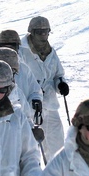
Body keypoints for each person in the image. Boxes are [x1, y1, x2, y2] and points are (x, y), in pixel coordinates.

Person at [19, 16, 69, 159]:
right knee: (31, 148)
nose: (43, 35)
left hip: (50, 105)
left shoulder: (51, 52)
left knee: (57, 145)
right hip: (31, 106)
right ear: (31, 32)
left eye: (45, 32)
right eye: (39, 32)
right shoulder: (21, 51)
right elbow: (19, 78)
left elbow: (58, 74)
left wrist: (61, 84)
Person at [0, 30, 43, 128]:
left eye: (12, 45)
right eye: (5, 46)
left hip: (22, 120)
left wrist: (36, 100)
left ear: (18, 47)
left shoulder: (24, 69)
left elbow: (35, 90)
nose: (9, 49)